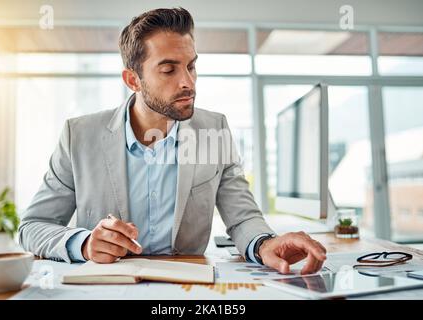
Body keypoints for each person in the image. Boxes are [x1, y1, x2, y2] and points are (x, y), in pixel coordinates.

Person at [19, 7, 326, 275]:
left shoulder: (215, 129)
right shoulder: (79, 136)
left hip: (187, 288)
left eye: (191, 66)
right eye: (169, 69)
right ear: (132, 80)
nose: (188, 82)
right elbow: (33, 226)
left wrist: (264, 243)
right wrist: (84, 244)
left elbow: (243, 216)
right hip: (108, 287)